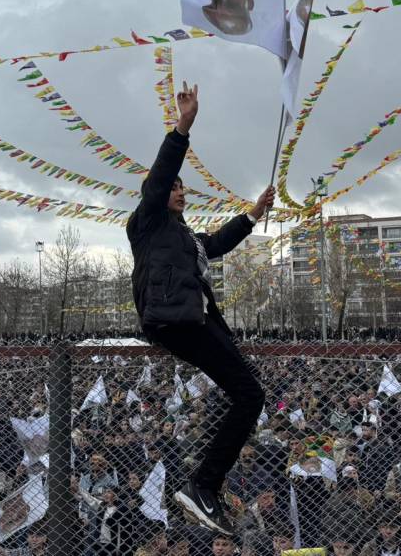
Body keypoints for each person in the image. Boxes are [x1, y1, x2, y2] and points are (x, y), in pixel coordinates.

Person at [127, 81, 273, 535]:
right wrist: (182, 129)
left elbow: (216, 244)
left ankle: (204, 484)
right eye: (173, 188)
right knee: (249, 395)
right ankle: (203, 485)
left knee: (248, 395)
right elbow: (160, 177)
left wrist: (251, 215)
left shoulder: (185, 237)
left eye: (184, 189)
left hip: (193, 320)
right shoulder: (147, 223)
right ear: (154, 191)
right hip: (175, 320)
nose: (181, 192)